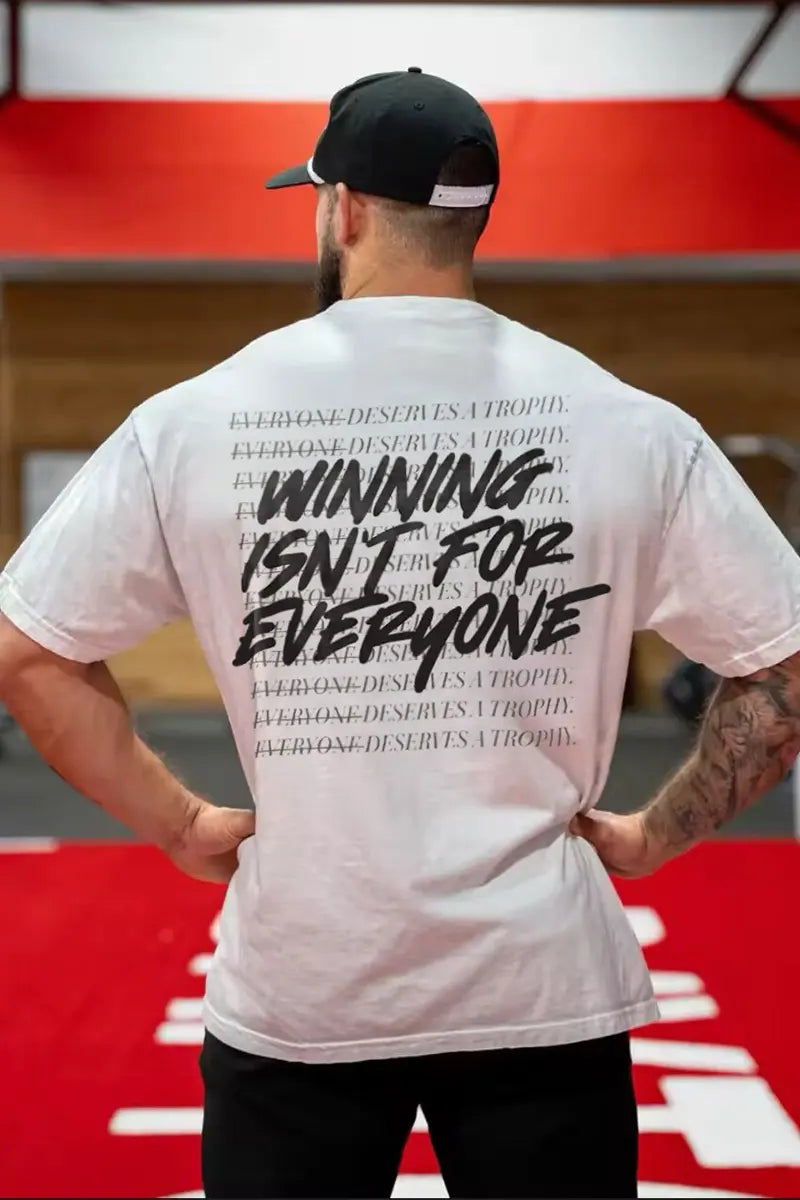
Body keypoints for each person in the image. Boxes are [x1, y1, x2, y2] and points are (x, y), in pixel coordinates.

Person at [0, 67, 799, 1200]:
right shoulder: (628, 425)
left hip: (304, 987)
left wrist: (177, 823)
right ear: (475, 218)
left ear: (343, 211)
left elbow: (29, 650)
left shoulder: (191, 422)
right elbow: (784, 666)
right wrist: (657, 832)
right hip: (540, 988)